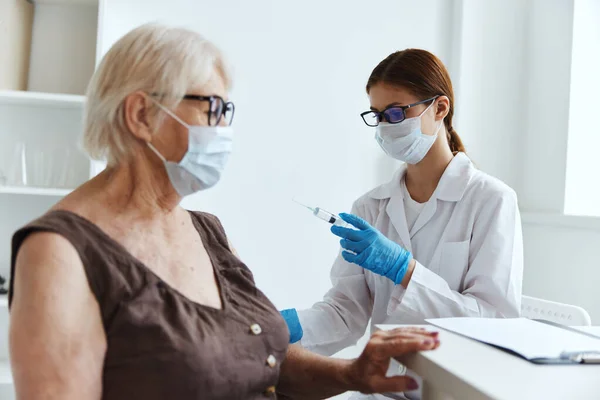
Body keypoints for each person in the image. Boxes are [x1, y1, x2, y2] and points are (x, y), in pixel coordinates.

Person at [8, 24, 440, 400]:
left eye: (227, 111)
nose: (224, 130)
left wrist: (351, 375)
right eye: (212, 108)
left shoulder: (206, 232)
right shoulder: (59, 252)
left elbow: (259, 360)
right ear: (141, 114)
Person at [282, 49, 523, 360]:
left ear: (440, 108)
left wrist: (406, 271)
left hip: (452, 385)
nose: (385, 126)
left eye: (396, 113)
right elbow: (345, 314)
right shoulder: (370, 207)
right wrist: (282, 326)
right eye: (378, 115)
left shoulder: (491, 200)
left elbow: (495, 322)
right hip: (380, 385)